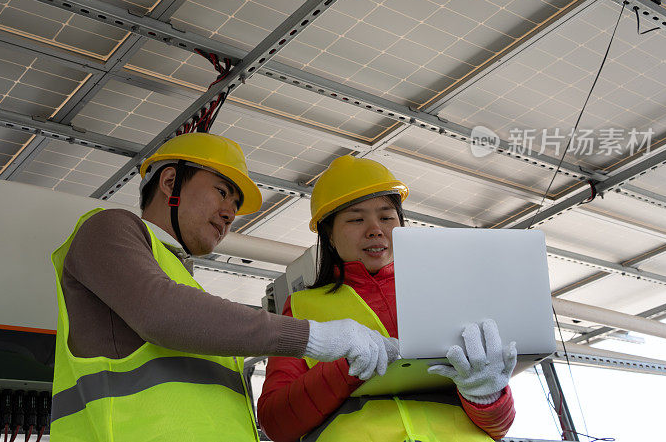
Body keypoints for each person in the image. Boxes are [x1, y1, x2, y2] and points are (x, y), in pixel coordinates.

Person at [49, 133, 398, 441]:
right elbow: (162, 314)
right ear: (170, 182)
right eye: (222, 192)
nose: (230, 212)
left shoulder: (185, 284)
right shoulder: (108, 229)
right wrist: (317, 337)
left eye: (235, 204)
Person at [257, 155, 517, 442]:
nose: (375, 229)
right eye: (356, 219)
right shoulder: (302, 307)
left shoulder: (447, 292)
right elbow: (275, 423)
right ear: (328, 235)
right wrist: (347, 368)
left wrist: (487, 395)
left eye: (386, 217)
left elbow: (498, 427)